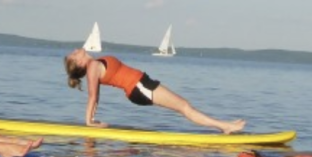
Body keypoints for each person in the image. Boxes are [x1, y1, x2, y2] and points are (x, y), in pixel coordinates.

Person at [63, 48, 246, 134]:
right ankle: (225, 126)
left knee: (184, 106)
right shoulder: (93, 66)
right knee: (184, 107)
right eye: (74, 54)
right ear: (79, 63)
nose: (76, 50)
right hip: (139, 87)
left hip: (142, 84)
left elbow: (96, 96)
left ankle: (224, 125)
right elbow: (93, 95)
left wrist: (92, 119)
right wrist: (89, 122)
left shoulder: (95, 64)